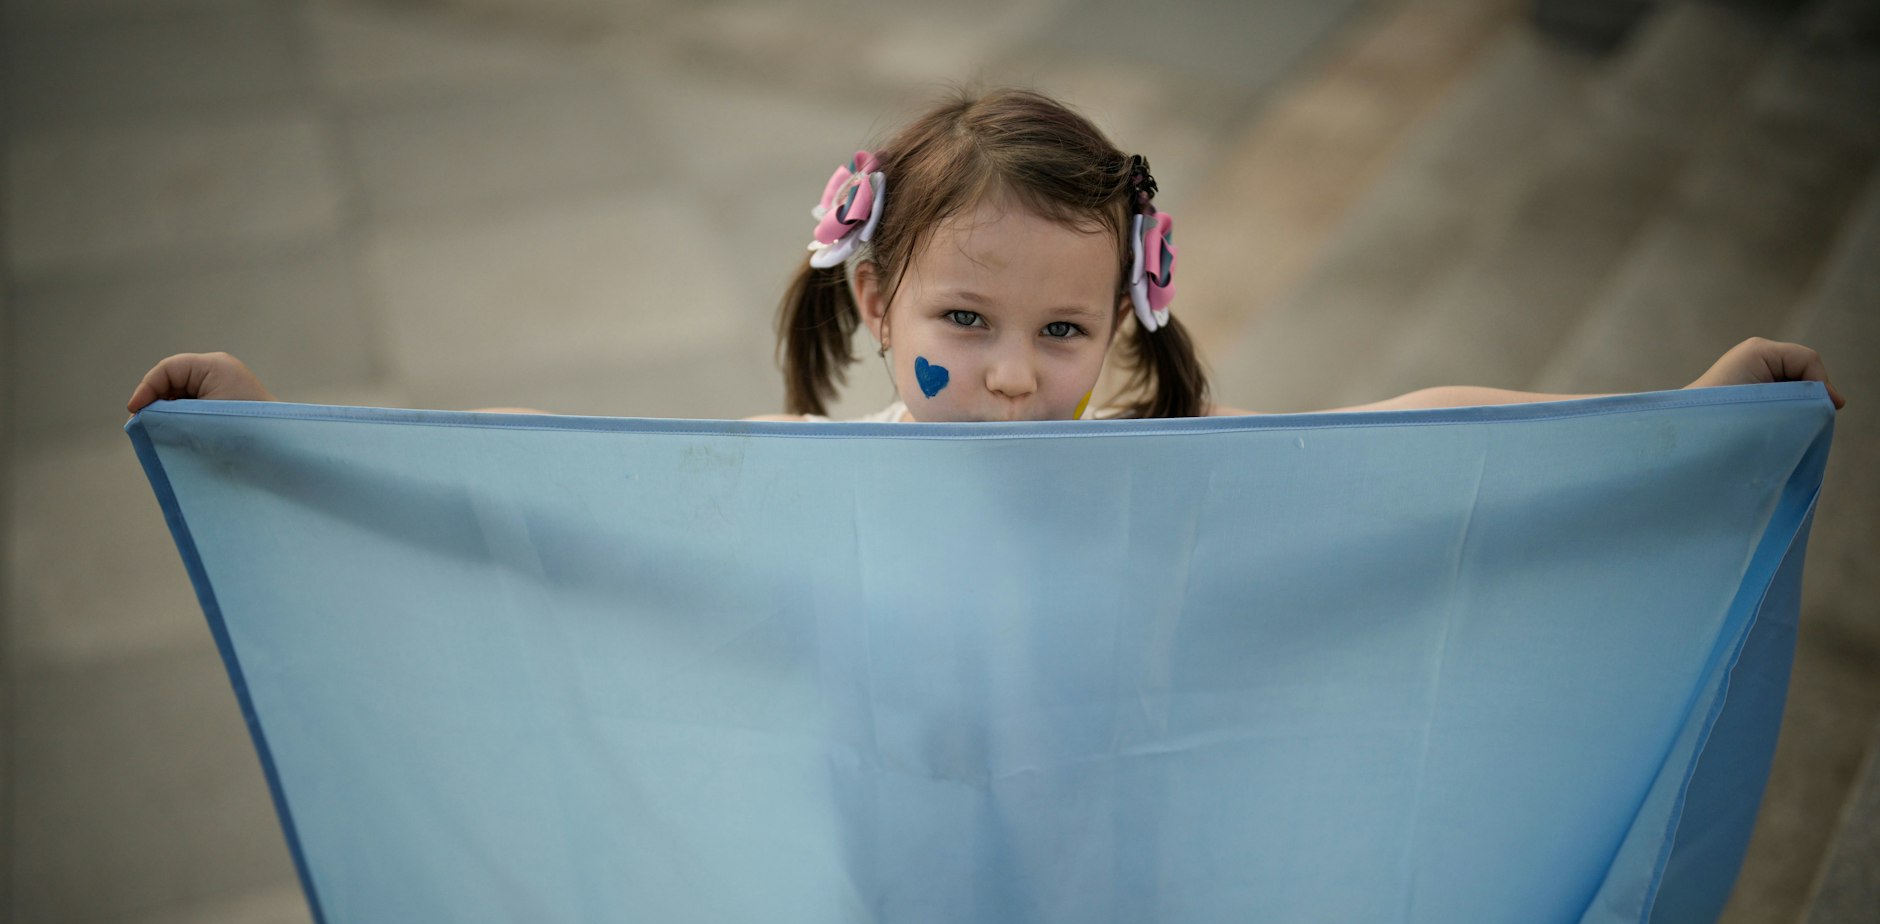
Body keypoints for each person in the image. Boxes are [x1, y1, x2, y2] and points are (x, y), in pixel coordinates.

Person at [128, 88, 1846, 422]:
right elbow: (534, 487)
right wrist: (281, 431)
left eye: (1065, 330)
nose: (1019, 374)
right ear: (876, 296)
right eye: (968, 317)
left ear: (1126, 317)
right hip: (888, 874)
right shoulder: (806, 485)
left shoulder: (1151, 481)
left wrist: (1676, 421)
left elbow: (1412, 436)